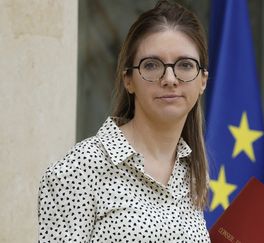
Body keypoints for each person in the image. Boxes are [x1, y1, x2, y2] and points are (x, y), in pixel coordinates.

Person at [38, 1, 210, 241]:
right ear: (128, 79)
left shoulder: (190, 173)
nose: (170, 78)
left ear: (202, 80)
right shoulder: (78, 170)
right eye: (151, 65)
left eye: (185, 65)